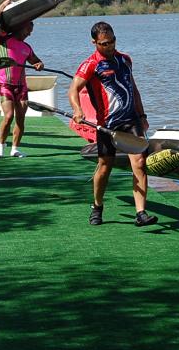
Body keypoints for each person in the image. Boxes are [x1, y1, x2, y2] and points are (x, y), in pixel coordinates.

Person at [68, 21, 158, 227]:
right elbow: (73, 90)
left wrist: (142, 115)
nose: (110, 46)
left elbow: (133, 88)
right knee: (104, 167)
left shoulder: (125, 60)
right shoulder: (90, 64)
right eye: (105, 43)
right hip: (107, 124)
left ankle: (141, 212)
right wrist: (77, 109)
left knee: (140, 163)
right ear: (95, 43)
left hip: (131, 120)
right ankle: (97, 206)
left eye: (113, 41)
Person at [0, 0, 44, 158]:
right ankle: (0, 146)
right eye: (28, 30)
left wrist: (39, 65)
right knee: (8, 116)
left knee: (21, 118)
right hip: (5, 85)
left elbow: (37, 62)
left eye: (31, 32)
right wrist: (4, 5)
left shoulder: (27, 48)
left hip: (21, 87)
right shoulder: (3, 40)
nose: (29, 34)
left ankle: (15, 148)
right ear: (21, 27)